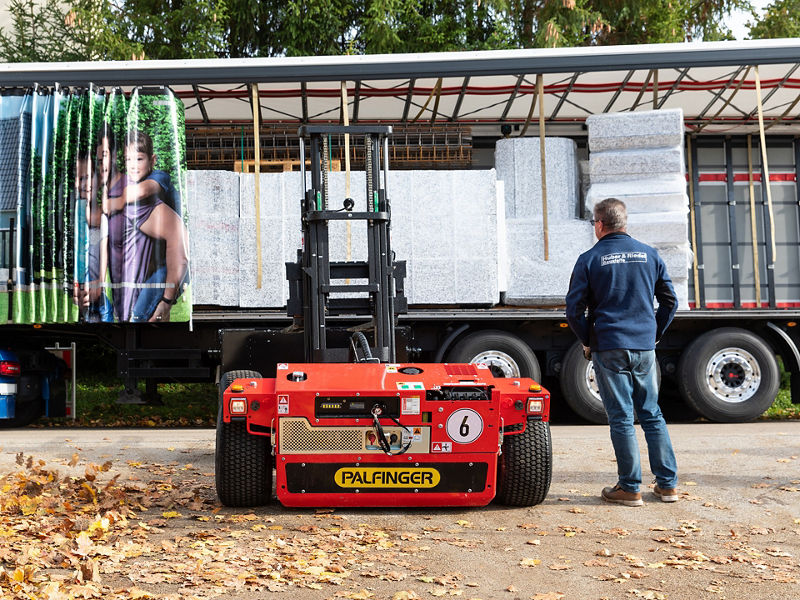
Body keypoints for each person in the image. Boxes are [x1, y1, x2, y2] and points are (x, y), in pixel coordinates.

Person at [565, 198, 679, 507]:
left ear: (600, 224)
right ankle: (667, 485)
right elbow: (670, 301)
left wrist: (588, 340)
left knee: (622, 418)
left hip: (609, 344)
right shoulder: (649, 254)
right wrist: (654, 333)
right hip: (644, 345)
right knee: (652, 413)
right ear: (624, 222)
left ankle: (630, 487)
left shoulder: (589, 258)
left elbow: (573, 310)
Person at [107, 129, 188, 322]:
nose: (133, 166)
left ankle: (166, 303)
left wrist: (119, 200)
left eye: (139, 159)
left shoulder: (159, 177)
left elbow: (143, 190)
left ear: (152, 160)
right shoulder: (133, 188)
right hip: (164, 264)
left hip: (173, 265)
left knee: (140, 316)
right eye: (128, 160)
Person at [72, 148, 113, 322]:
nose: (79, 184)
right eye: (77, 179)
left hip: (100, 295)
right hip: (86, 295)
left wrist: (99, 285)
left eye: (86, 177)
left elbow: (103, 249)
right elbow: (79, 255)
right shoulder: (79, 212)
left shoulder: (105, 213)